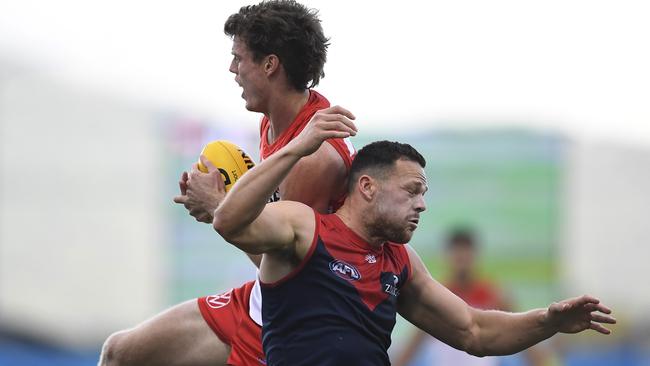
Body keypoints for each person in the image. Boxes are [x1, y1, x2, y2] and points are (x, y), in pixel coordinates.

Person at [207, 112, 616, 365]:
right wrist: (297, 147)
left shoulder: (400, 261)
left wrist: (549, 321)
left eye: (424, 195)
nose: (421, 205)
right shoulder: (305, 226)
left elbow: (474, 330)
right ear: (366, 187)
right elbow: (230, 222)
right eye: (411, 191)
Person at [99, 1, 354, 365]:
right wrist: (227, 201)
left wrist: (219, 208)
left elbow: (288, 270)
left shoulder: (312, 157)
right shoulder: (278, 120)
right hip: (270, 298)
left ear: (270, 64)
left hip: (297, 319)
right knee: (119, 352)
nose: (232, 69)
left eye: (239, 57)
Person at [394, 229, 550, 366]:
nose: (462, 259)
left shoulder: (494, 294)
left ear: (474, 255)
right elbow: (414, 343)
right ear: (448, 256)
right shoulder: (438, 294)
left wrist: (538, 360)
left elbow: (522, 334)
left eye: (465, 253)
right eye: (457, 253)